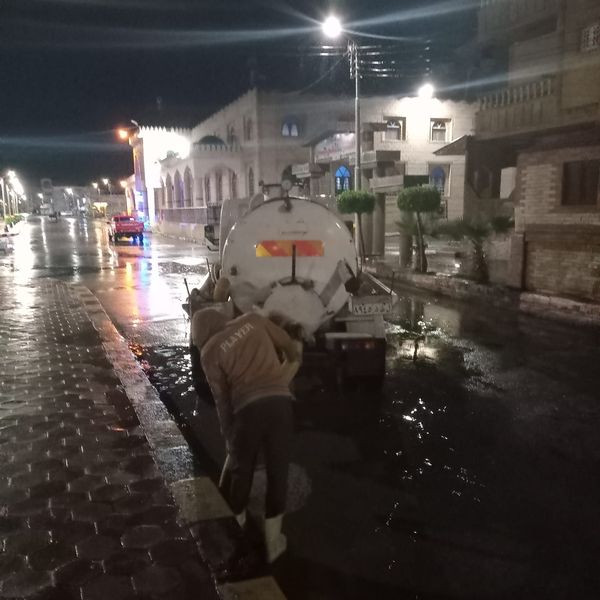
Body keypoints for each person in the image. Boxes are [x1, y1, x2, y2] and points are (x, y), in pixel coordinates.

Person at [193, 308, 302, 563]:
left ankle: (238, 527)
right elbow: (286, 341)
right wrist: (291, 360)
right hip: (280, 404)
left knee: (242, 471)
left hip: (247, 410)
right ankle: (273, 543)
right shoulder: (252, 320)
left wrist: (229, 435)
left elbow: (222, 400)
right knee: (278, 472)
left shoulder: (209, 352)